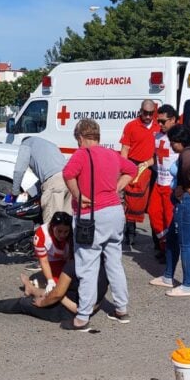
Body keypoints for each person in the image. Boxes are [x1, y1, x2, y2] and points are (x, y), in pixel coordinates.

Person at [62, 119, 136, 331]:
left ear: (80, 137)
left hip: (91, 215)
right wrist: (117, 188)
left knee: (87, 265)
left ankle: (82, 317)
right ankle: (121, 309)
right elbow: (131, 169)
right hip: (115, 213)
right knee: (114, 262)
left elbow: (68, 174)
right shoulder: (112, 154)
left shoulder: (82, 154)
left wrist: (78, 194)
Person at [150, 125, 190, 297]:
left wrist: (186, 188)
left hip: (189, 202)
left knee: (186, 245)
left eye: (172, 143)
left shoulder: (188, 155)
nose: (171, 146)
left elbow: (185, 178)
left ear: (180, 141)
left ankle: (187, 285)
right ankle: (168, 276)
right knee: (172, 239)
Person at [0, 257, 108, 325]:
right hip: (79, 303)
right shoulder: (105, 267)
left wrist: (44, 302)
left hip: (65, 312)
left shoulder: (74, 265)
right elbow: (96, 302)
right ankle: (31, 288)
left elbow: (78, 309)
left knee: (23, 303)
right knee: (52, 291)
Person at [119, 99, 157, 249]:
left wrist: (149, 163)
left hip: (152, 167)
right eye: (145, 113)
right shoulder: (131, 126)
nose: (148, 116)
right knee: (131, 201)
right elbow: (125, 150)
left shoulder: (158, 126)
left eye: (150, 113)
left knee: (153, 204)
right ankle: (130, 234)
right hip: (134, 166)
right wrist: (125, 168)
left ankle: (157, 240)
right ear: (140, 111)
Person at [11, 135, 72, 224]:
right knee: (66, 223)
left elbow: (19, 170)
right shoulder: (50, 144)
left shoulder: (26, 144)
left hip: (55, 187)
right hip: (70, 182)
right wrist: (29, 193)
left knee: (52, 223)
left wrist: (15, 193)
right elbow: (48, 177)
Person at [148, 104, 181, 262]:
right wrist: (144, 164)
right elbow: (156, 158)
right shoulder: (157, 136)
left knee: (169, 219)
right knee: (154, 214)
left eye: (163, 121)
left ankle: (171, 252)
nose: (159, 124)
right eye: (158, 121)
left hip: (171, 185)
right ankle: (164, 245)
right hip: (159, 182)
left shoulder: (180, 135)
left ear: (173, 119)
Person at [32, 211, 73, 290]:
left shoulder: (73, 233)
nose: (62, 235)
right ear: (52, 226)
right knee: (59, 285)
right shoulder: (41, 234)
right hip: (51, 261)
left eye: (66, 231)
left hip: (68, 261)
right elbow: (43, 261)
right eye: (59, 231)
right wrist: (50, 281)